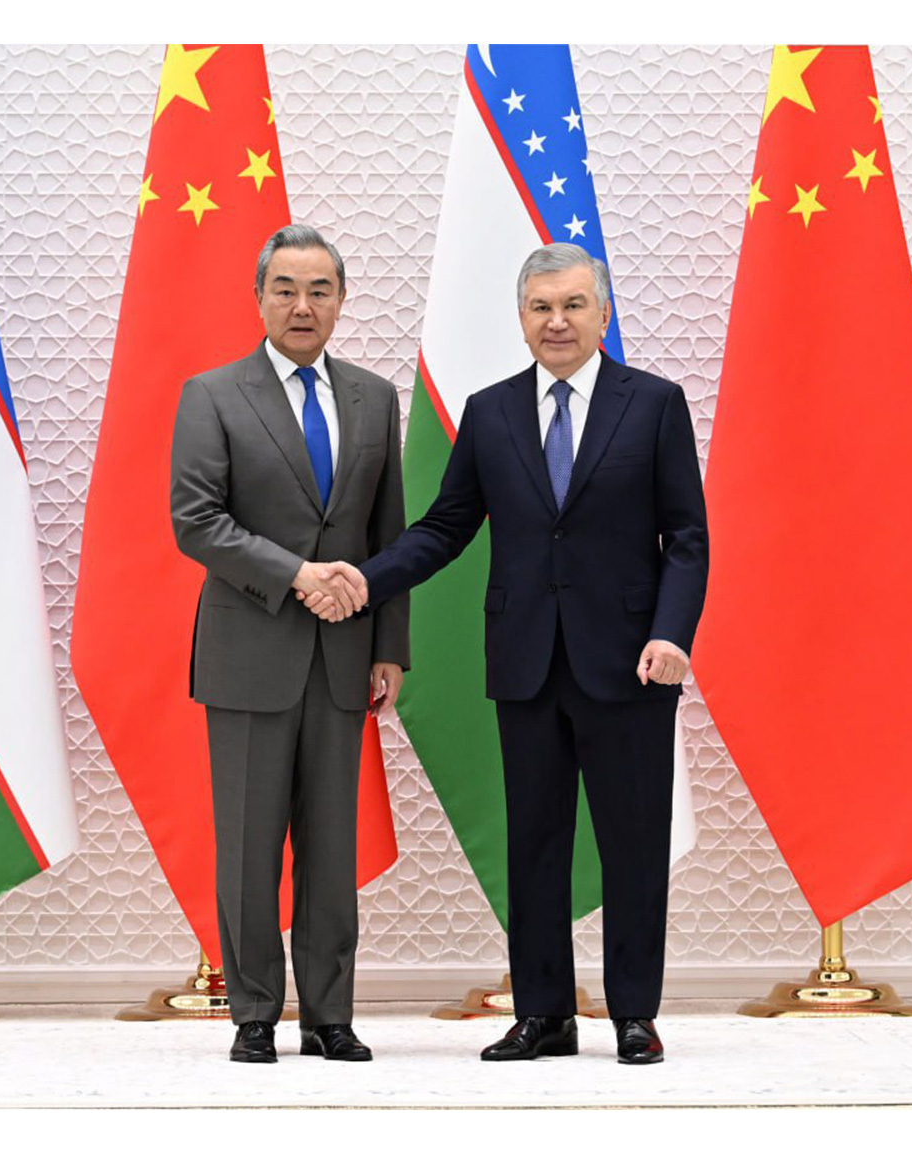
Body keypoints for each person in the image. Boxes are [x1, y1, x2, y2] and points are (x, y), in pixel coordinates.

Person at [303, 242, 707, 1064]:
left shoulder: (654, 404)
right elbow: (445, 527)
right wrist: (366, 581)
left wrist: (671, 633)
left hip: (633, 664)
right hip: (527, 663)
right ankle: (543, 1013)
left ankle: (634, 1013)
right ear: (522, 318)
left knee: (633, 845)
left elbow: (688, 538)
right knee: (535, 844)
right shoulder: (489, 413)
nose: (557, 322)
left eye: (573, 305)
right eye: (541, 307)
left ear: (602, 314)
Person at [169, 224, 408, 1063]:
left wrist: (390, 646)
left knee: (331, 849)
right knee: (248, 846)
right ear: (260, 298)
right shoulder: (212, 395)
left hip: (345, 658)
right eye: (286, 289)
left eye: (319, 291)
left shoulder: (374, 398)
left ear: (340, 301)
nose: (302, 306)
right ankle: (254, 1013)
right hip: (249, 654)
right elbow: (196, 521)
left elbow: (388, 533)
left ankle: (330, 1016)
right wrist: (297, 574)